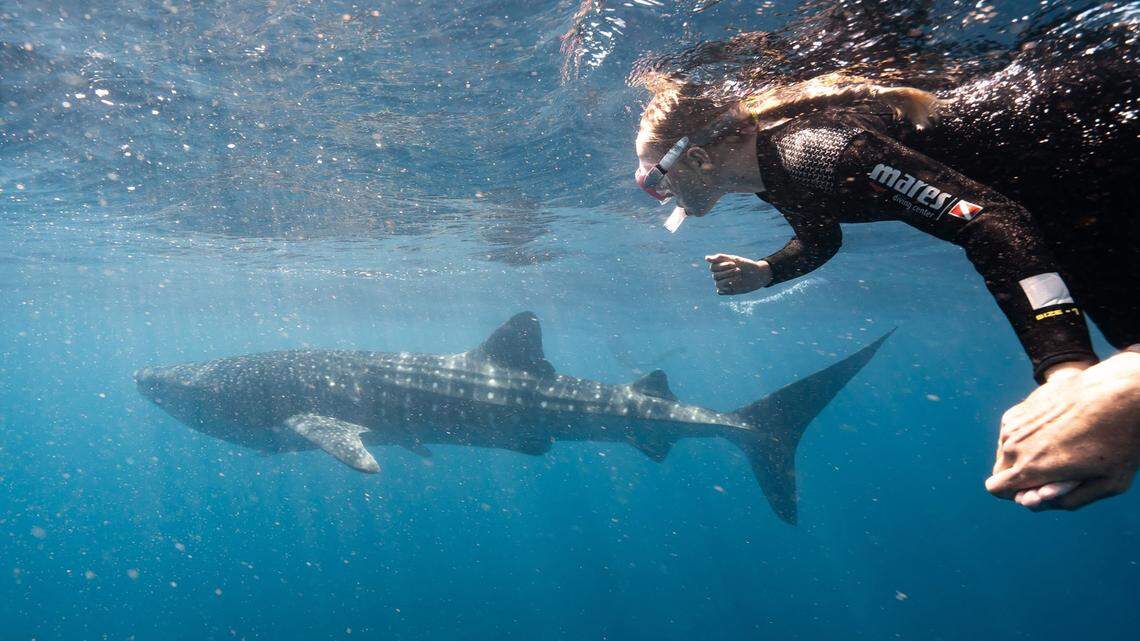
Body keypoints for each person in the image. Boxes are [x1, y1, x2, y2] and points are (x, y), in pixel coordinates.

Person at [632, 3, 1140, 511]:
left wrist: (1065, 372)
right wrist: (768, 271)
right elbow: (819, 239)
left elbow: (991, 224)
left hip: (1097, 137)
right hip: (1070, 195)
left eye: (655, 178)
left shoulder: (818, 152)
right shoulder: (775, 173)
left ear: (697, 158)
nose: (656, 193)